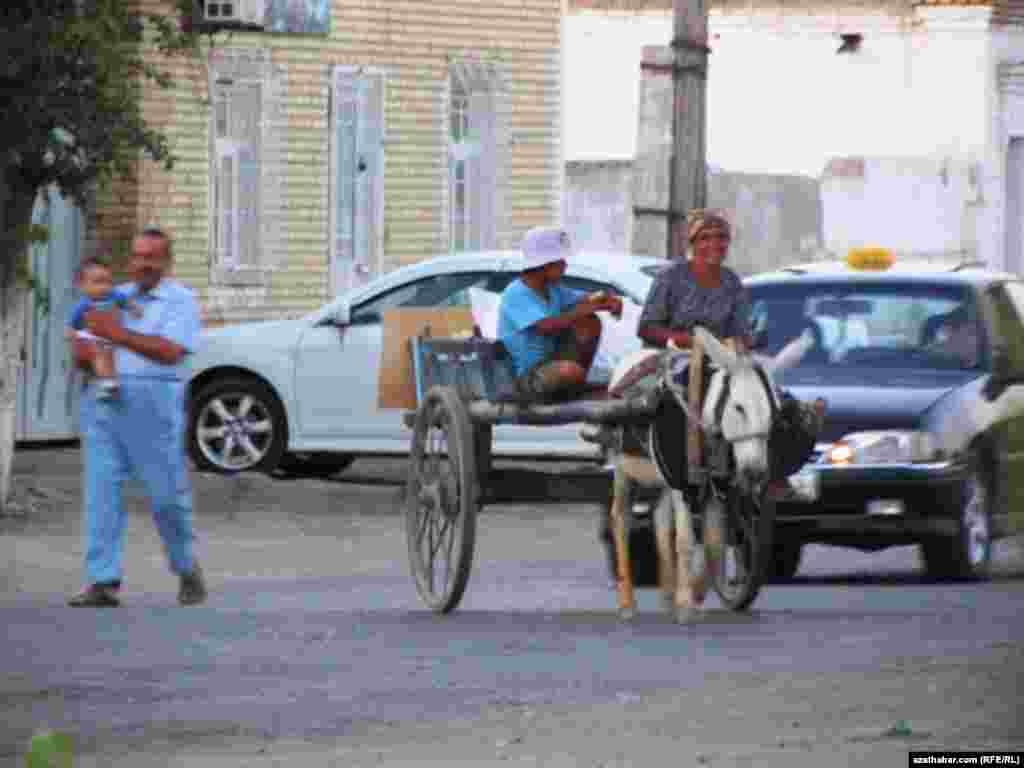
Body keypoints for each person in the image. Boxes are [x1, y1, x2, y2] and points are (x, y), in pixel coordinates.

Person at [67, 227, 206, 608]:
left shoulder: (181, 301)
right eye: (138, 256)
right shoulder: (114, 295)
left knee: (165, 497)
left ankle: (185, 567)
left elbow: (171, 352)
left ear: (167, 261)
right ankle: (102, 579)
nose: (143, 263)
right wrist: (82, 350)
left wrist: (119, 334)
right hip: (104, 403)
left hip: (154, 407)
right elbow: (84, 338)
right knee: (102, 493)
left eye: (152, 257)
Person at [497, 226, 623, 403]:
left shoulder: (553, 289)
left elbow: (586, 299)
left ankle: (575, 382)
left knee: (590, 322)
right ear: (543, 265)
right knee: (571, 368)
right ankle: (574, 379)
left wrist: (607, 300)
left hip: (552, 365)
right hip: (526, 376)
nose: (565, 265)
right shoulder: (516, 293)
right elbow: (546, 325)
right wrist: (586, 309)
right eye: (560, 261)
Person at [637, 209, 752, 351]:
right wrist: (687, 340)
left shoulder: (732, 282)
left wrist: (735, 344)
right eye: (705, 238)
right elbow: (645, 329)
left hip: (717, 362)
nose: (714, 243)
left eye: (721, 237)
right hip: (668, 361)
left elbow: (741, 333)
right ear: (693, 243)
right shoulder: (671, 276)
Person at [65, 258, 139, 400]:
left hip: (112, 334)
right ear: (83, 286)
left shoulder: (113, 295)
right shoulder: (85, 303)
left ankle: (109, 383)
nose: (104, 287)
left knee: (109, 358)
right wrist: (70, 330)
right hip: (94, 336)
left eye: (108, 282)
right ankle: (107, 384)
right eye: (98, 282)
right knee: (97, 356)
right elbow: (73, 321)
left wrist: (134, 308)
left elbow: (125, 301)